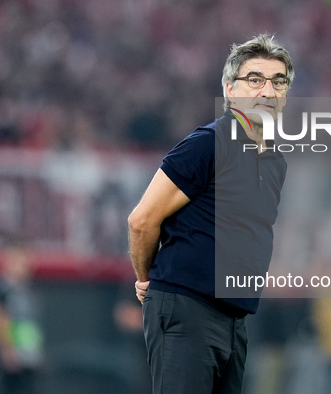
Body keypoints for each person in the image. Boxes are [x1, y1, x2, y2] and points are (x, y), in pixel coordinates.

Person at [128, 33, 294, 394]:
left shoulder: (274, 161)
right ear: (230, 90)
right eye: (255, 80)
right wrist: (146, 278)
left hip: (234, 318)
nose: (267, 91)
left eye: (278, 82)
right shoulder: (208, 143)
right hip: (188, 307)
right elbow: (141, 220)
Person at [0, 244, 44, 394]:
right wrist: (6, 351)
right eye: (23, 261)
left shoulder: (27, 288)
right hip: (6, 362)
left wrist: (36, 352)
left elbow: (29, 325)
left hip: (25, 359)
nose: (28, 266)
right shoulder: (0, 286)